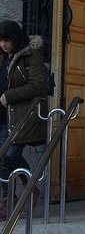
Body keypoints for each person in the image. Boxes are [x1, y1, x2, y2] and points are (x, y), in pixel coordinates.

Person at [0, 20, 46, 220]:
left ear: (16, 38)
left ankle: (28, 189)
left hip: (21, 116)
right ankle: (10, 199)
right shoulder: (2, 57)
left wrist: (9, 95)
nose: (3, 44)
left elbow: (37, 86)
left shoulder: (30, 55)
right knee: (2, 160)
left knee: (9, 155)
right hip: (2, 116)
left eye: (6, 40)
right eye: (0, 40)